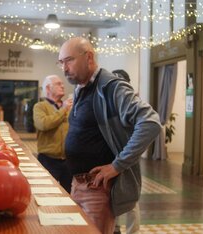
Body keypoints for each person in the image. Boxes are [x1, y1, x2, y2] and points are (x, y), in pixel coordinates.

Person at [58, 37, 161, 233]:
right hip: (77, 184)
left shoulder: (112, 87)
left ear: (88, 57)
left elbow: (150, 122)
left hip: (97, 189)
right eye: (61, 62)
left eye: (69, 60)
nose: (64, 68)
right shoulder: (81, 86)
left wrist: (117, 165)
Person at [33, 75, 73, 193]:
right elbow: (43, 124)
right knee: (47, 193)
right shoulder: (40, 106)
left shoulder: (69, 107)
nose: (62, 85)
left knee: (68, 195)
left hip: (68, 160)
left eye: (62, 83)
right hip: (48, 160)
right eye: (58, 83)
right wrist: (63, 110)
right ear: (48, 88)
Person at [112, 69, 140, 234]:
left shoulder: (134, 103)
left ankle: (132, 231)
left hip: (128, 157)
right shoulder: (108, 102)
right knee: (110, 195)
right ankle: (114, 228)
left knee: (132, 198)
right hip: (109, 157)